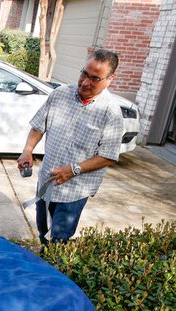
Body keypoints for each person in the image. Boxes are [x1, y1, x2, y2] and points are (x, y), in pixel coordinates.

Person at [17, 49, 125, 246]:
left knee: (59, 238)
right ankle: (45, 259)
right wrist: (28, 150)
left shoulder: (111, 113)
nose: (85, 82)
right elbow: (38, 126)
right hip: (47, 180)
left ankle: (54, 269)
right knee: (43, 229)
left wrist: (74, 170)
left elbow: (108, 156)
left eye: (95, 78)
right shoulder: (60, 94)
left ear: (110, 79)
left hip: (75, 191)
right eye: (84, 73)